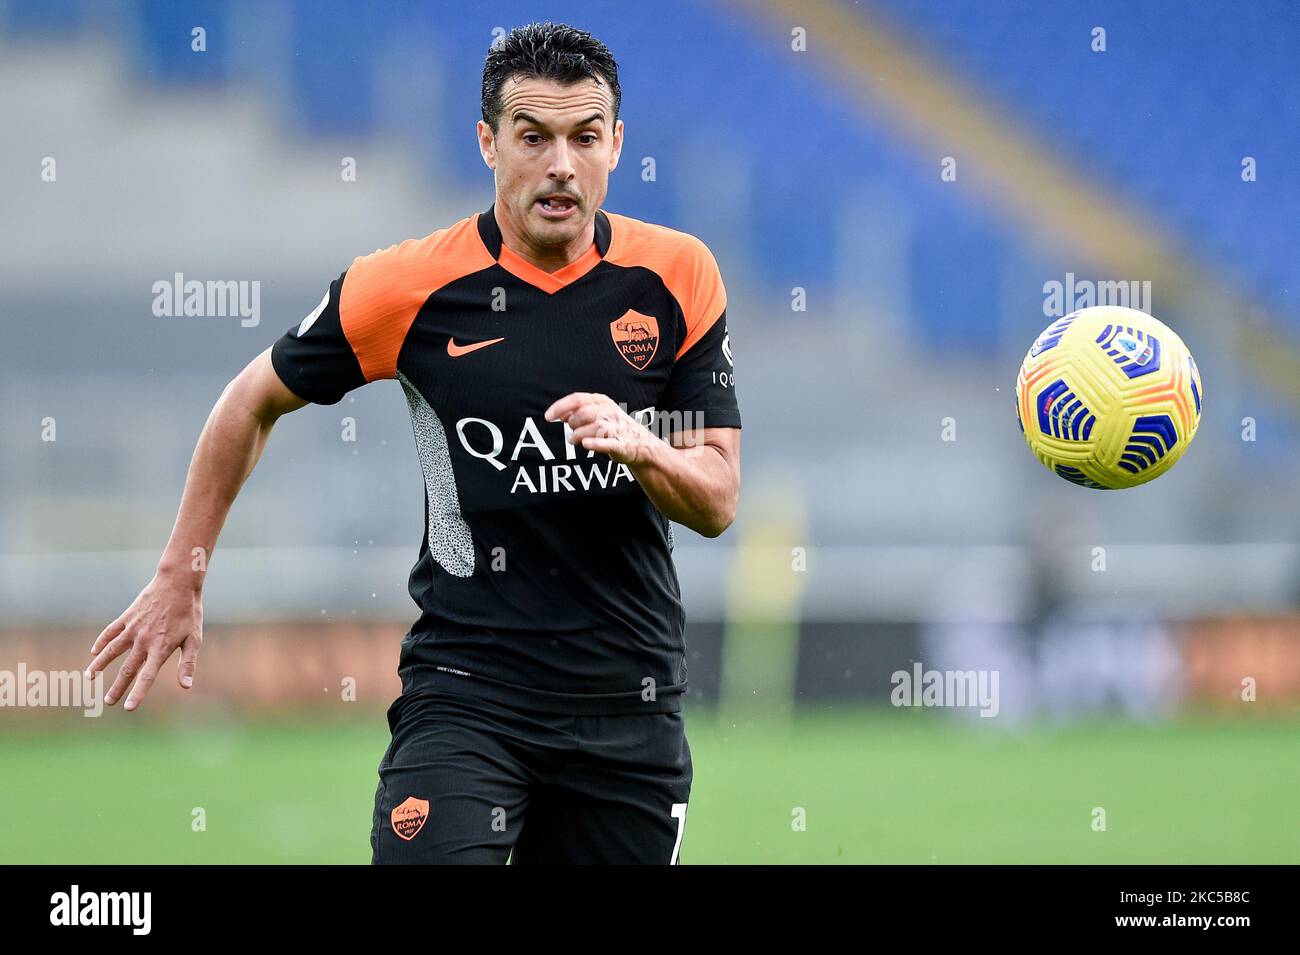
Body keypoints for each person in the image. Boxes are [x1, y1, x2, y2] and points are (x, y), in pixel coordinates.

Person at [88, 21, 741, 865]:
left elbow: (719, 497)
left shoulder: (678, 276)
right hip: (468, 692)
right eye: (532, 137)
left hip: (627, 700)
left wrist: (641, 446)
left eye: (585, 138)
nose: (561, 166)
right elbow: (249, 401)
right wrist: (182, 571)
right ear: (487, 141)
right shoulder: (406, 286)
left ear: (617, 143)